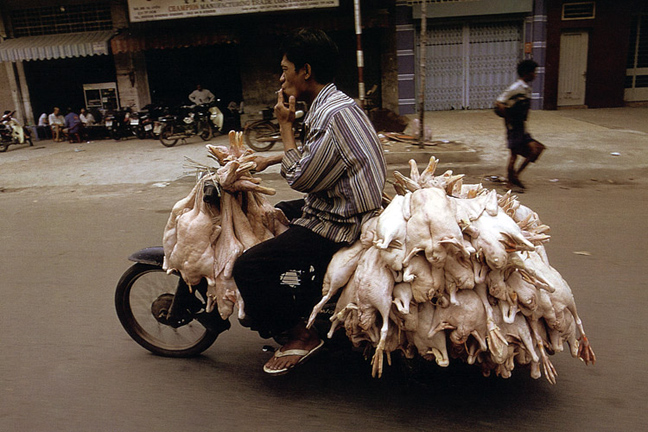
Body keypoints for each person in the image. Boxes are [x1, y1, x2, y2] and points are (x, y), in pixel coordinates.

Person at [232, 28, 386, 376]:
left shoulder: (330, 116)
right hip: (345, 202)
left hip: (341, 220)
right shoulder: (338, 105)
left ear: (305, 71)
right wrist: (268, 160)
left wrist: (285, 127)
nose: (281, 77)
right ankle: (303, 295)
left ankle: (300, 335)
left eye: (285, 69)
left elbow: (303, 178)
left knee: (248, 266)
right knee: (278, 212)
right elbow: (321, 159)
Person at [495, 59, 546, 189]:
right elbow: (499, 103)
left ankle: (515, 177)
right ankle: (510, 182)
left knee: (536, 149)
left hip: (521, 126)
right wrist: (509, 119)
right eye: (533, 72)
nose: (535, 75)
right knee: (514, 155)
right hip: (514, 127)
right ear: (526, 73)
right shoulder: (516, 87)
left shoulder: (526, 88)